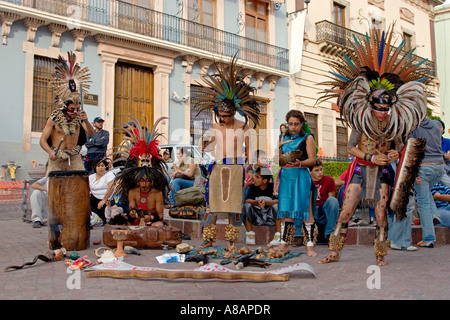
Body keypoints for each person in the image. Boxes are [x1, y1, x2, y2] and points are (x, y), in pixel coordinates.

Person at [316, 26, 430, 266]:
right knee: (346, 211)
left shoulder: (394, 125)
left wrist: (392, 153)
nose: (381, 113)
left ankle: (380, 255)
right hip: (360, 170)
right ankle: (335, 252)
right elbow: (350, 148)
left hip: (382, 174)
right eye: (378, 108)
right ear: (370, 105)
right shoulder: (362, 123)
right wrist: (369, 155)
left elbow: (400, 147)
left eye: (385, 109)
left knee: (380, 214)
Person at [194, 55, 261, 250]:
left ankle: (231, 241)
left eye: (227, 115)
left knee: (233, 206)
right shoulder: (215, 126)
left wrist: (250, 171)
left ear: (234, 112)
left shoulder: (244, 127)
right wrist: (204, 143)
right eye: (221, 116)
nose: (224, 119)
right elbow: (207, 147)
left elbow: (251, 152)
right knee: (213, 205)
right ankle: (209, 238)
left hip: (237, 167)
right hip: (217, 167)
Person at [40, 52, 94, 174]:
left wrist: (86, 120)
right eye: (71, 109)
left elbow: (91, 133)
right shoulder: (54, 118)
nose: (75, 112)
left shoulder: (79, 118)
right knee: (55, 186)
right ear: (64, 107)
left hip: (74, 157)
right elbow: (42, 140)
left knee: (80, 183)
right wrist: (50, 152)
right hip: (57, 156)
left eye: (77, 109)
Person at [275, 109, 317, 256]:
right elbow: (279, 159)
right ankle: (284, 244)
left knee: (306, 211)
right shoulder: (282, 137)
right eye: (290, 124)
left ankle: (310, 246)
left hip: (301, 176)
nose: (293, 127)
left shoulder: (308, 137)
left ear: (302, 124)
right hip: (286, 176)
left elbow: (313, 159)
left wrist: (300, 163)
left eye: (296, 124)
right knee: (286, 211)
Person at [409, 117, 445, 248]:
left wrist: (414, 171)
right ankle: (434, 214)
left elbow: (411, 151)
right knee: (427, 193)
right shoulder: (436, 124)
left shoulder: (413, 127)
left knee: (423, 203)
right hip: (439, 166)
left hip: (424, 167)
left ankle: (428, 238)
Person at [241, 167, 279, 245]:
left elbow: (278, 200)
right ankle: (250, 235)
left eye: (257, 177)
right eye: (255, 176)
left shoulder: (272, 187)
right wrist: (257, 202)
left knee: (277, 206)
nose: (254, 178)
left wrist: (265, 202)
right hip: (256, 217)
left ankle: (278, 235)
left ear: (264, 181)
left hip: (270, 217)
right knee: (246, 206)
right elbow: (247, 200)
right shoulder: (253, 187)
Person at [310, 159, 339, 243]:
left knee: (332, 200)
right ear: (310, 172)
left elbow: (331, 203)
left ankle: (329, 234)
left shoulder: (329, 180)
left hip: (323, 210)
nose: (320, 172)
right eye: (316, 170)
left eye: (321, 169)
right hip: (311, 209)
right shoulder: (306, 181)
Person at [89, 158, 115, 224]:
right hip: (94, 200)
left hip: (107, 200)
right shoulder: (91, 177)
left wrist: (104, 200)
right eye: (98, 166)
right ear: (95, 167)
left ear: (105, 167)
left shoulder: (109, 174)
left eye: (102, 166)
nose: (100, 168)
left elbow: (111, 187)